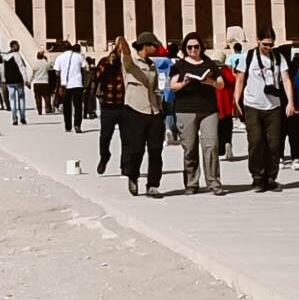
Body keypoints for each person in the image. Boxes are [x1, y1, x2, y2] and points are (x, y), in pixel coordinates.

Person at [233, 28, 293, 193]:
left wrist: (290, 102)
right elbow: (240, 79)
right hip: (252, 105)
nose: (268, 48)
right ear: (258, 41)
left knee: (274, 143)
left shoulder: (278, 57)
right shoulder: (248, 57)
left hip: (273, 106)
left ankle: (271, 177)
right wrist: (236, 100)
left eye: (271, 45)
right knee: (256, 142)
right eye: (265, 44)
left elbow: (286, 80)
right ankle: (258, 177)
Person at [169, 34, 224, 195]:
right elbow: (172, 86)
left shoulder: (209, 63)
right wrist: (185, 82)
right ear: (185, 48)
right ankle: (191, 182)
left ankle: (213, 182)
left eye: (196, 46)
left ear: (201, 47)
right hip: (186, 109)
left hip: (208, 109)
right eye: (190, 47)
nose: (193, 50)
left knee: (211, 146)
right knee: (190, 147)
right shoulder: (179, 65)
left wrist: (211, 82)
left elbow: (221, 84)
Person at [115, 33, 167, 197]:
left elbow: (155, 89)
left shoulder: (152, 65)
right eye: (154, 46)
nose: (157, 48)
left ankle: (153, 185)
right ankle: (133, 176)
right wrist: (122, 40)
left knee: (156, 150)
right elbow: (126, 53)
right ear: (145, 46)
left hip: (154, 112)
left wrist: (160, 109)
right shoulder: (131, 64)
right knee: (136, 149)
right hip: (135, 110)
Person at [92, 39, 126, 174]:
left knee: (127, 138)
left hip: (124, 106)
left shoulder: (127, 64)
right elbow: (96, 78)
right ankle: (104, 155)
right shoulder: (105, 62)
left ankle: (125, 165)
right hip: (108, 106)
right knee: (105, 137)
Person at [54, 42, 87, 133]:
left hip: (65, 85)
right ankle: (77, 125)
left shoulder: (59, 57)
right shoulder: (79, 56)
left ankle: (68, 126)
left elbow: (57, 72)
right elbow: (85, 67)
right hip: (77, 84)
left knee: (67, 106)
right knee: (78, 106)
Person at [2, 41, 31, 125]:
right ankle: (22, 117)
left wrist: (4, 79)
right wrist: (26, 80)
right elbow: (22, 67)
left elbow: (3, 69)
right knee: (21, 99)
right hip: (18, 80)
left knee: (12, 100)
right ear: (12, 46)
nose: (18, 47)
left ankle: (14, 118)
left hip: (9, 81)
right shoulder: (17, 55)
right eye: (17, 45)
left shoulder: (5, 56)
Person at [32, 48, 54, 116]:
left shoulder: (35, 64)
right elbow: (51, 66)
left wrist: (29, 81)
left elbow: (33, 74)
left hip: (37, 82)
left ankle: (39, 110)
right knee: (47, 96)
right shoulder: (46, 63)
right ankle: (47, 108)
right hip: (45, 82)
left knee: (37, 97)